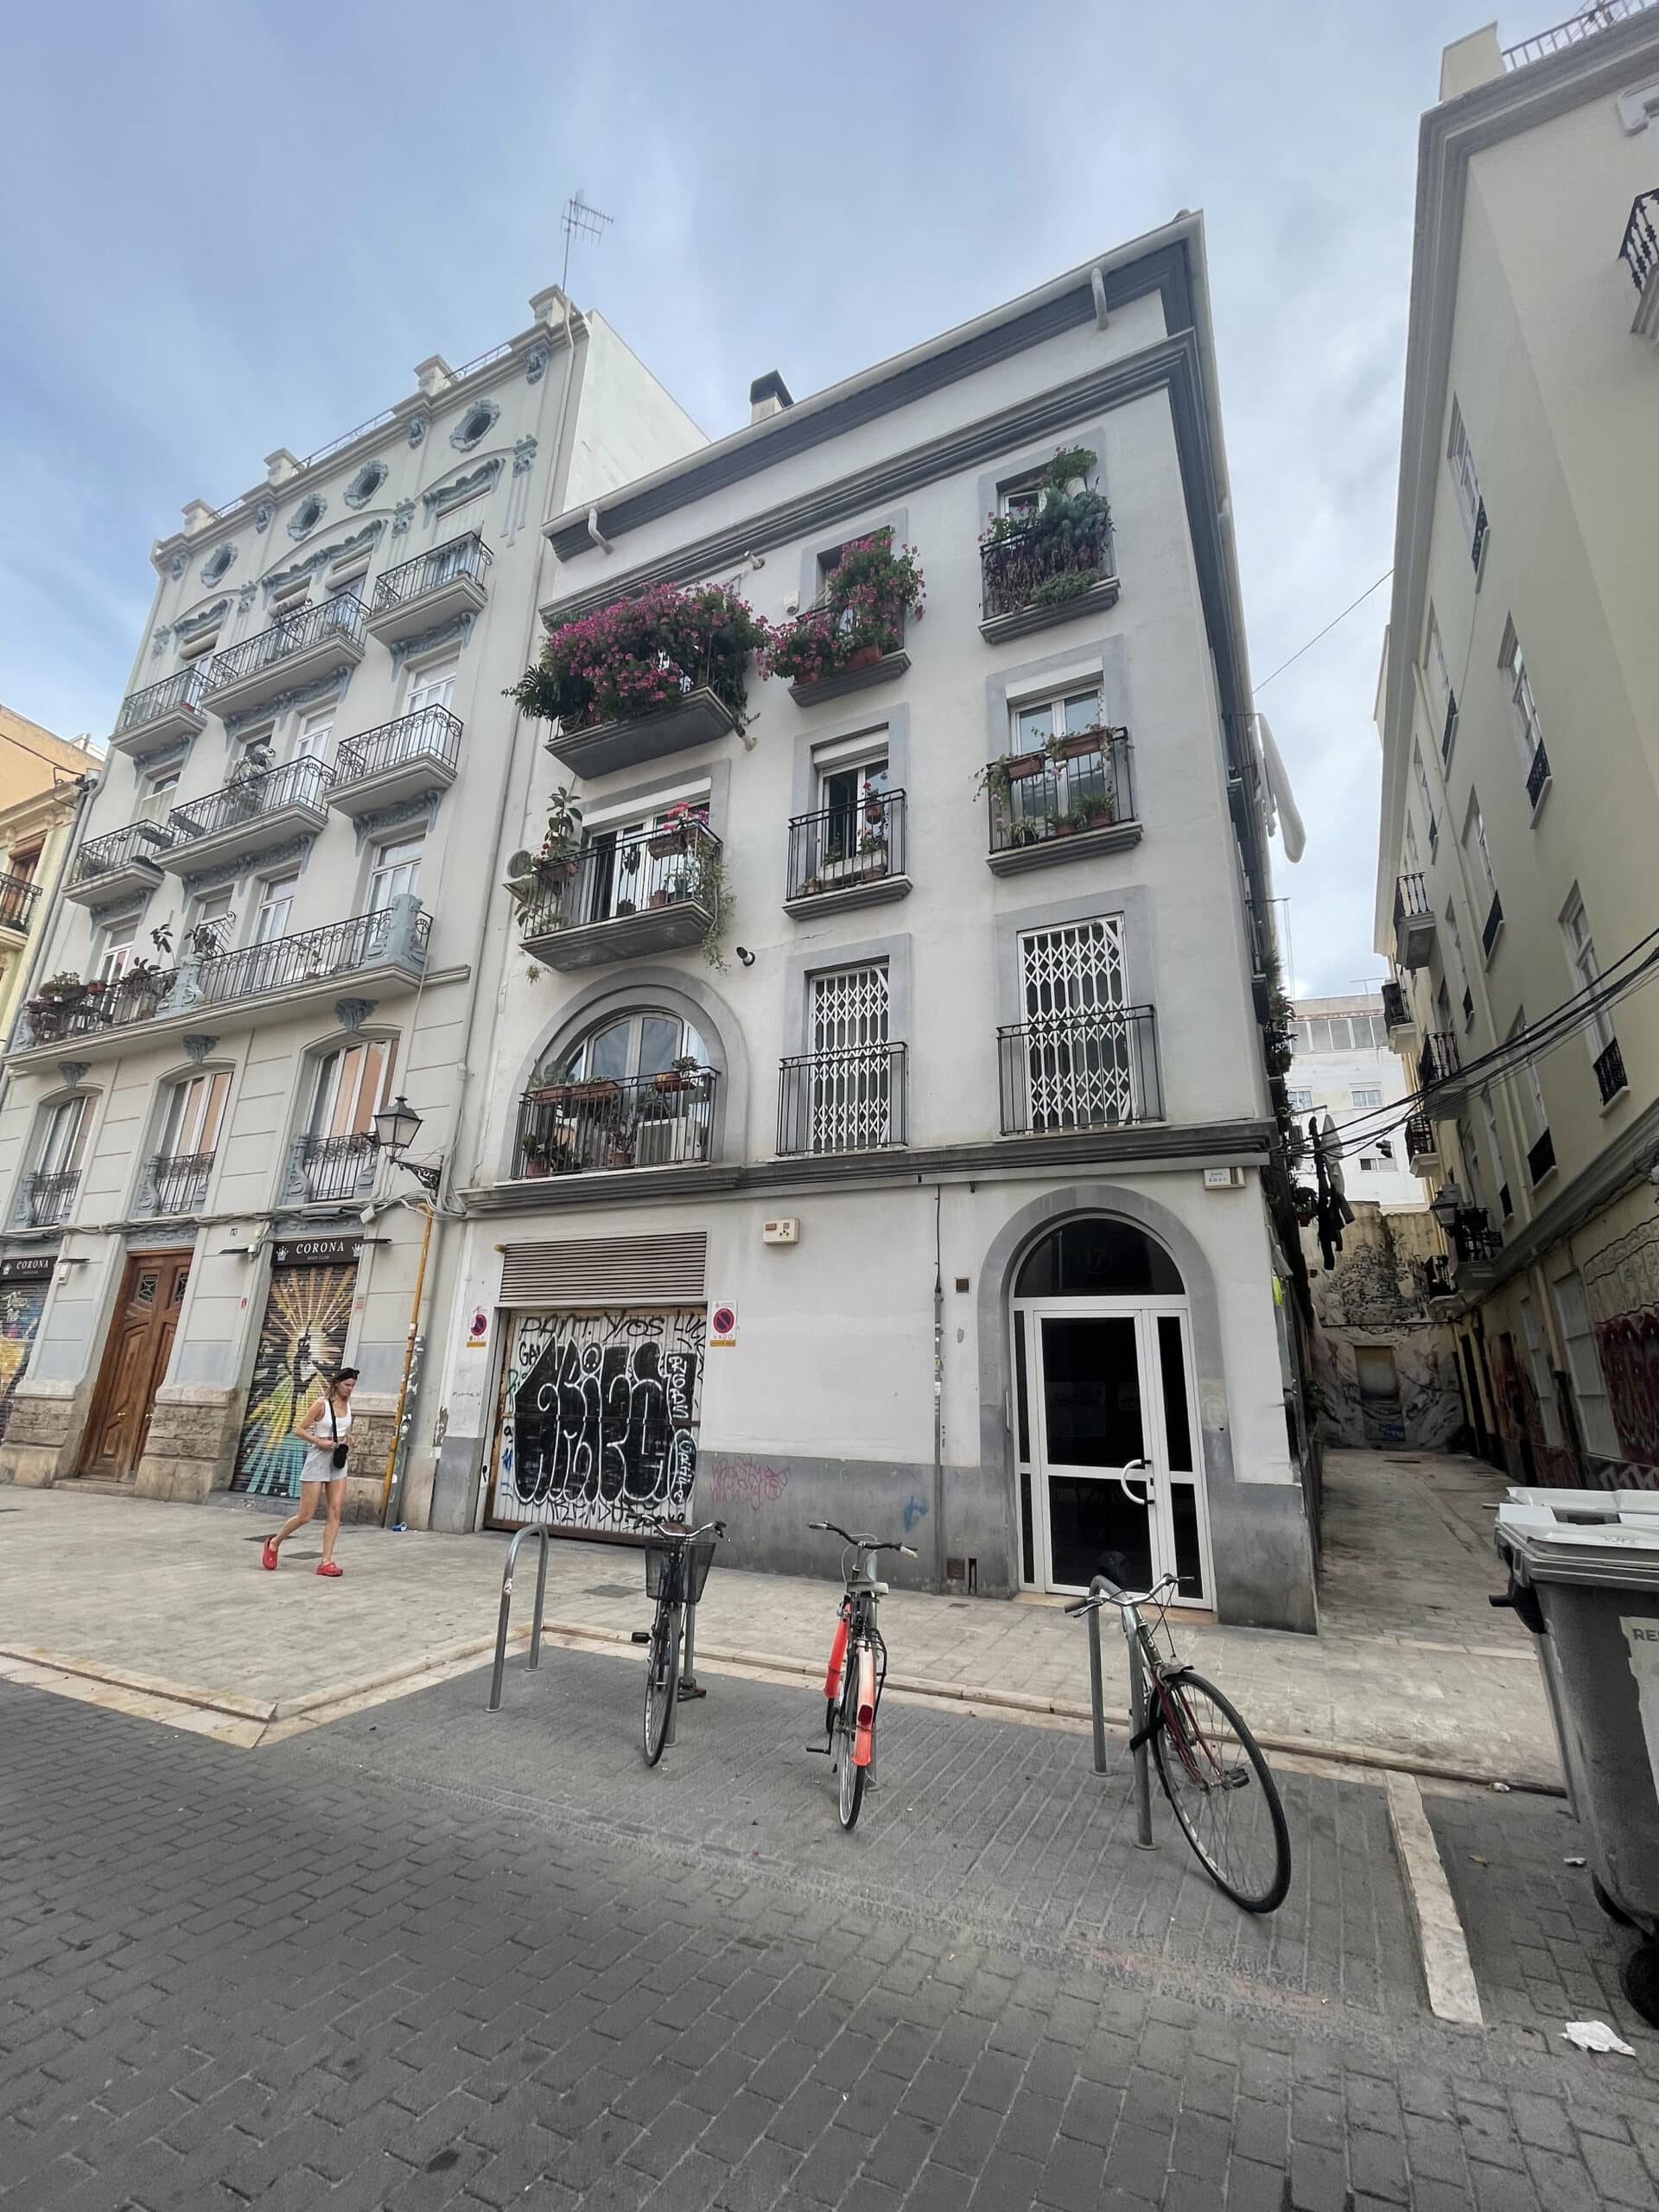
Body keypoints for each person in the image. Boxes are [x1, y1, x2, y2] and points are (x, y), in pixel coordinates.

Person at [262, 1369, 359, 1578]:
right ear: (337, 1384)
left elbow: (345, 1430)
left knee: (335, 1511)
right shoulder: (321, 1404)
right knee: (306, 1515)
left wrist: (348, 1441)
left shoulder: (349, 1406)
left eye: (353, 1386)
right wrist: (319, 1441)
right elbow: (299, 1429)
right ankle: (274, 1543)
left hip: (338, 1461)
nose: (350, 1390)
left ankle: (326, 1561)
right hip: (318, 1459)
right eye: (347, 1385)